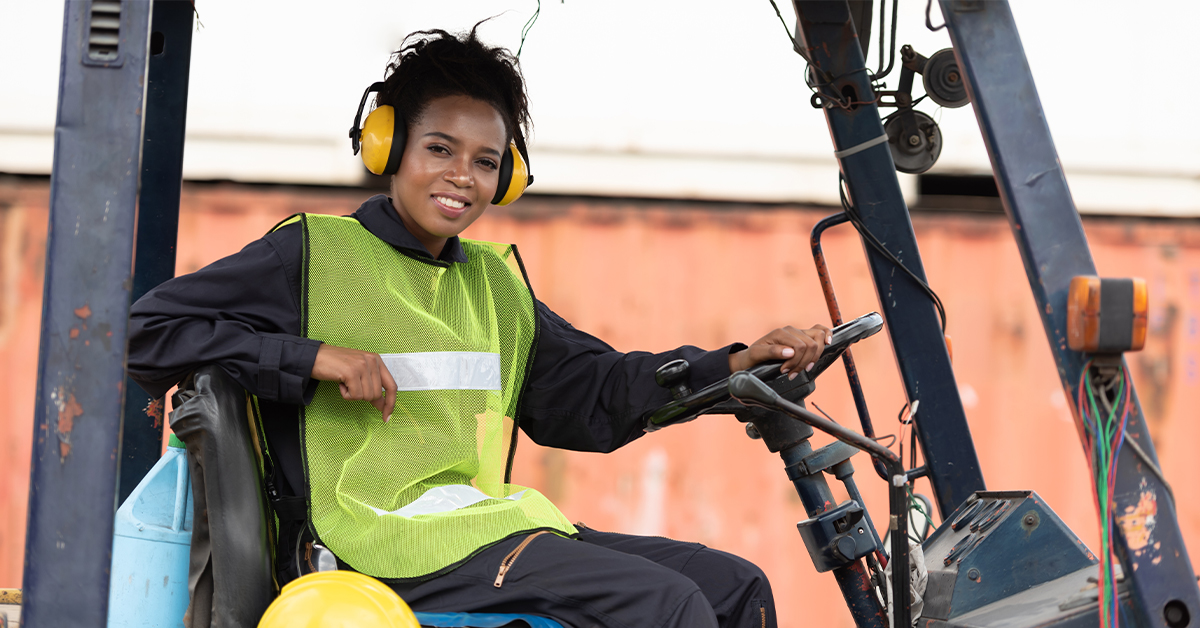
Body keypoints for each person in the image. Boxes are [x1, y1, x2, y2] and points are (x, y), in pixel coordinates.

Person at [127, 25, 831, 628]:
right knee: (666, 604)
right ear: (388, 147)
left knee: (735, 586)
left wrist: (734, 364)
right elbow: (146, 332)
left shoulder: (495, 284)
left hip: (481, 528)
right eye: (440, 149)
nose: (462, 175)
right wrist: (312, 356)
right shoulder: (312, 254)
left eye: (486, 161)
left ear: (508, 177)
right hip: (379, 541)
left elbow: (591, 396)